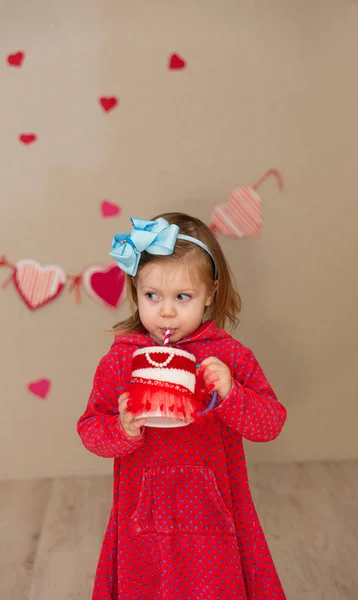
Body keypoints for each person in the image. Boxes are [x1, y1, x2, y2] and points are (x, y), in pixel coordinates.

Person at [77, 212, 287, 599]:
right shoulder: (122, 359)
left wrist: (231, 393)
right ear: (135, 291)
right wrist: (122, 428)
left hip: (214, 518)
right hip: (144, 520)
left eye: (182, 297)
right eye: (152, 296)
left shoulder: (229, 357)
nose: (166, 312)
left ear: (210, 294)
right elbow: (91, 430)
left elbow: (271, 424)